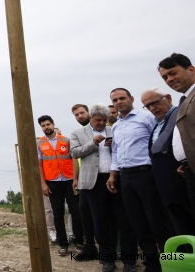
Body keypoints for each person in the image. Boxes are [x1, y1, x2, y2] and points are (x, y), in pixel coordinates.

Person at [107, 88, 173, 272]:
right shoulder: (116, 126)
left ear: (131, 99)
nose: (119, 102)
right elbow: (116, 152)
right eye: (115, 100)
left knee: (157, 222)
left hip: (147, 174)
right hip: (125, 178)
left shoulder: (146, 117)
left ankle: (171, 263)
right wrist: (113, 175)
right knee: (138, 223)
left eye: (122, 98)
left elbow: (160, 140)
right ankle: (152, 266)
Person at [70, 103, 137, 272]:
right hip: (94, 183)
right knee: (101, 222)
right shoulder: (78, 133)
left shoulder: (114, 130)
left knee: (124, 219)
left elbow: (125, 149)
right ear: (91, 118)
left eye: (104, 120)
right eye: (98, 120)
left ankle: (129, 261)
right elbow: (75, 153)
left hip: (116, 179)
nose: (101, 123)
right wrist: (93, 143)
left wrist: (114, 145)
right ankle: (108, 258)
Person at [143, 87, 195, 238]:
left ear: (168, 98)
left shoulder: (180, 115)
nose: (153, 108)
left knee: (187, 223)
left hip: (180, 178)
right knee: (176, 226)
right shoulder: (158, 123)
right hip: (164, 183)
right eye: (148, 106)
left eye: (155, 103)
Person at [37, 115, 84, 257]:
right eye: (43, 125)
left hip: (69, 180)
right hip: (52, 182)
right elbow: (39, 165)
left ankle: (79, 241)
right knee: (57, 214)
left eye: (48, 124)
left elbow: (74, 159)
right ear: (41, 127)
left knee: (75, 212)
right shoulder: (39, 144)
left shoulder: (67, 141)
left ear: (53, 124)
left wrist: (76, 178)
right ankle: (63, 244)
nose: (46, 127)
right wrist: (43, 184)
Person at [158, 53, 195, 212]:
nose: (169, 80)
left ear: (191, 69)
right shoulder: (185, 99)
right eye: (165, 77)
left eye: (173, 73)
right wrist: (186, 161)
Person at [68, 104, 98, 262]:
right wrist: (75, 178)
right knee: (84, 213)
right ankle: (90, 247)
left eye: (81, 113)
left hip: (103, 177)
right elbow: (75, 155)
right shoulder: (77, 133)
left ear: (89, 112)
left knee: (102, 215)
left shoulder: (103, 128)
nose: (79, 116)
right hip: (85, 179)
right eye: (76, 115)